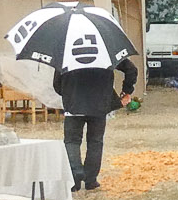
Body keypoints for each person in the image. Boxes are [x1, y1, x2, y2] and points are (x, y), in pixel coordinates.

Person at [57, 48, 136, 191]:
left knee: (72, 141)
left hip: (73, 104)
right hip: (99, 104)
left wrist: (68, 93)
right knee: (95, 141)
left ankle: (75, 177)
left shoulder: (66, 50)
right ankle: (91, 180)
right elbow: (131, 70)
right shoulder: (105, 49)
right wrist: (126, 91)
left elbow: (56, 83)